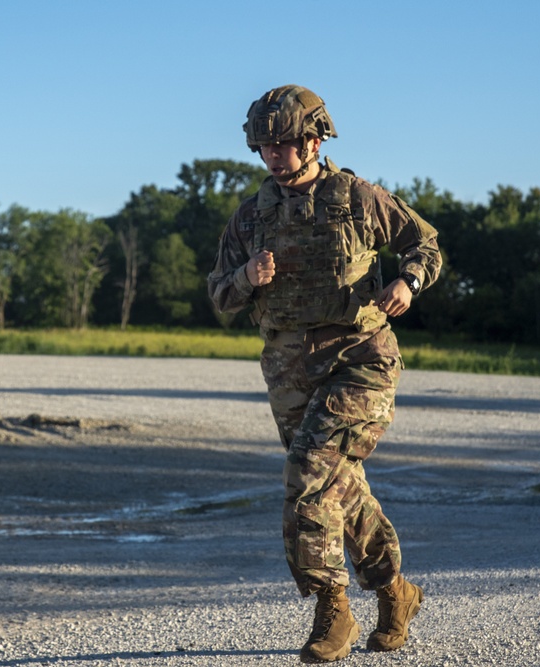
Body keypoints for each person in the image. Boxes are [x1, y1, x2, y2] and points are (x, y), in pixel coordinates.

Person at [207, 85, 442, 663]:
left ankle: (331, 608)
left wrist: (406, 283)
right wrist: (247, 280)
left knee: (309, 474)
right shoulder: (252, 216)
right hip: (289, 370)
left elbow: (426, 243)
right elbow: (218, 294)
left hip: (360, 358)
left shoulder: (357, 198)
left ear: (314, 140)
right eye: (263, 146)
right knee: (338, 487)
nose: (272, 155)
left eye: (282, 143)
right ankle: (395, 593)